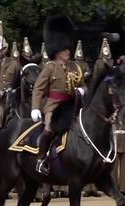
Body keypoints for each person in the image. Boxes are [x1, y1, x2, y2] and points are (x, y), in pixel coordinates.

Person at [31, 15, 85, 175]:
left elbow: (83, 84)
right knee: (49, 129)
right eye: (64, 50)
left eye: (68, 49)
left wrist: (83, 90)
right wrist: (35, 108)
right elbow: (38, 89)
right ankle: (41, 159)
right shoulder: (50, 68)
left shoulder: (75, 67)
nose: (68, 51)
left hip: (73, 105)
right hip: (53, 106)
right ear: (57, 51)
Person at [112, 104, 125, 196]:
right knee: (114, 169)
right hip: (114, 143)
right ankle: (114, 188)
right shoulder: (111, 114)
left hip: (124, 143)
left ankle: (122, 188)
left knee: (123, 169)